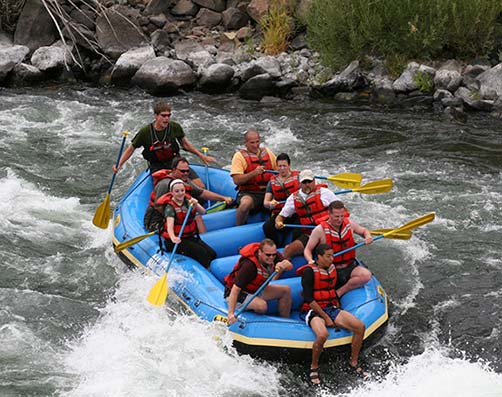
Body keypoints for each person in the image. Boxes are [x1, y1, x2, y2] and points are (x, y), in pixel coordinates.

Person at [298, 244, 369, 385]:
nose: (332, 258)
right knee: (323, 335)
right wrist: (325, 317)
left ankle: (353, 362)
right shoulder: (309, 272)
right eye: (328, 256)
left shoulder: (332, 269)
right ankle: (313, 367)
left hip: (331, 307)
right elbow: (308, 298)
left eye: (332, 255)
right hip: (313, 310)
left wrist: (336, 311)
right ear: (318, 257)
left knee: (360, 327)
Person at [112, 101, 215, 185]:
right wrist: (119, 164)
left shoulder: (174, 127)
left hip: (175, 162)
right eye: (163, 116)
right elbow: (131, 149)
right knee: (169, 188)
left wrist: (201, 156)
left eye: (168, 115)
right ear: (156, 116)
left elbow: (185, 144)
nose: (166, 119)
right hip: (157, 166)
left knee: (200, 186)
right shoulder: (145, 132)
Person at [144, 156, 234, 232]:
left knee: (197, 218)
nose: (185, 174)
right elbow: (158, 206)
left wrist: (223, 198)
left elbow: (202, 193)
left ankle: (205, 239)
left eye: (187, 171)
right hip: (157, 218)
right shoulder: (164, 184)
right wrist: (177, 218)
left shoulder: (184, 181)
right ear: (174, 170)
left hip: (176, 213)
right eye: (182, 171)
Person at [304, 200, 373, 298]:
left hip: (349, 266)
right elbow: (307, 250)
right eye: (336, 216)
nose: (340, 219)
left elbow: (364, 231)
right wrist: (310, 260)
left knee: (366, 275)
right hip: (330, 269)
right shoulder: (319, 230)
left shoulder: (349, 224)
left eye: (342, 216)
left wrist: (368, 236)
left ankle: (340, 291)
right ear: (329, 214)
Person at [224, 238, 293, 325]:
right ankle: (256, 323)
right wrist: (231, 314)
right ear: (260, 252)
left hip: (255, 290)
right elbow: (235, 290)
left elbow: (290, 266)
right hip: (237, 293)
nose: (271, 258)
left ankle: (285, 322)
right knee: (262, 306)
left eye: (273, 255)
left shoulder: (273, 256)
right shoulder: (249, 266)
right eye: (268, 255)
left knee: (286, 290)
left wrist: (285, 264)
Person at [274, 169, 337, 260]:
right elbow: (281, 216)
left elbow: (341, 210)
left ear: (314, 181)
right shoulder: (293, 198)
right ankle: (281, 268)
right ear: (299, 183)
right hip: (309, 235)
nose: (307, 184)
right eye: (304, 182)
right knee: (289, 250)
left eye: (309, 181)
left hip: (327, 232)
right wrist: (278, 222)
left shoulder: (325, 193)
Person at [156, 179, 216, 269]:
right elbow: (170, 226)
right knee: (202, 254)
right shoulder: (170, 208)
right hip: (176, 241)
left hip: (189, 237)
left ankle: (210, 269)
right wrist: (173, 237)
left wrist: (196, 204)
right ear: (171, 192)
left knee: (212, 254)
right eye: (177, 191)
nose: (180, 193)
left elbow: (203, 212)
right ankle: (208, 272)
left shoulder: (189, 202)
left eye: (182, 190)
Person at [230, 129, 277, 225]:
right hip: (249, 193)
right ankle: (238, 227)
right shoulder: (239, 156)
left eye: (257, 142)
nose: (255, 145)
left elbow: (278, 171)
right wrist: (254, 173)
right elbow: (236, 180)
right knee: (244, 205)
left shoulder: (267, 152)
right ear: (246, 143)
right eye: (252, 143)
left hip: (268, 193)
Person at [262, 153, 300, 246]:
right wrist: (270, 204)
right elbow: (265, 202)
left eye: (284, 166)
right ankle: (275, 247)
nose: (282, 169)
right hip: (281, 213)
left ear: (289, 165)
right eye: (279, 166)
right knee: (267, 227)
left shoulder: (299, 177)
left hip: (296, 212)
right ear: (277, 167)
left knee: (299, 227)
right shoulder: (272, 182)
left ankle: (294, 246)